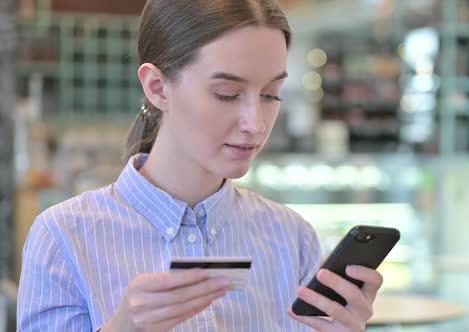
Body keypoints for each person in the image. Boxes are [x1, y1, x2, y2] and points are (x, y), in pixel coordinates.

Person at [16, 0, 384, 331]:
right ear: (158, 87)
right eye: (227, 94)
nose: (255, 123)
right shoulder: (63, 236)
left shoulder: (292, 238)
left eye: (271, 94)